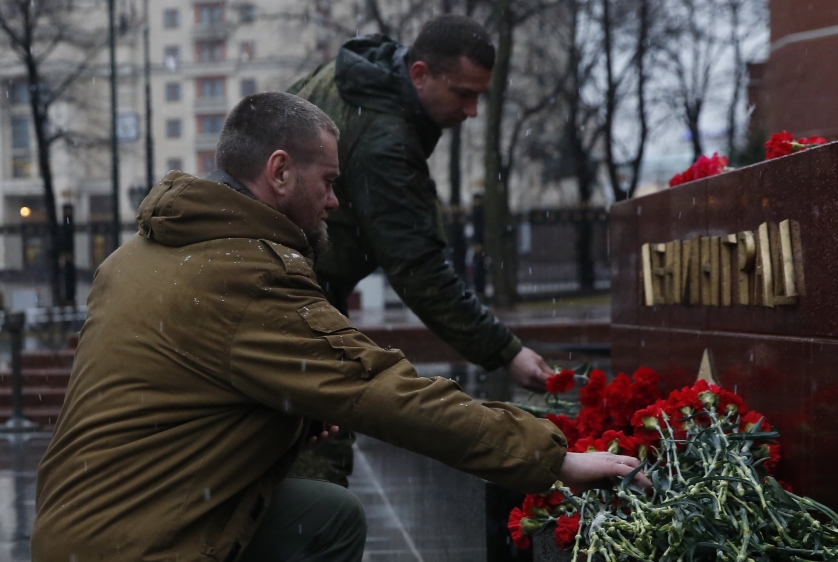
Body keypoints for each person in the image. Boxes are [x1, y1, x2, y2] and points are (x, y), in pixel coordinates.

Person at [31, 92, 649, 562]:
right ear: (279, 172)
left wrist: (289, 421)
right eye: (328, 182)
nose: (334, 201)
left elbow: (172, 397)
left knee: (325, 516)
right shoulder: (247, 274)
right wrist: (554, 459)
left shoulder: (135, 257)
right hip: (138, 546)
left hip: (77, 526)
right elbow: (384, 391)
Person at [286, 16, 552, 390]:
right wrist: (507, 352)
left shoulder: (355, 76)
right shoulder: (385, 141)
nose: (473, 110)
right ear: (419, 74)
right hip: (297, 296)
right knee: (327, 416)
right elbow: (418, 269)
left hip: (279, 280)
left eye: (479, 96)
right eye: (463, 94)